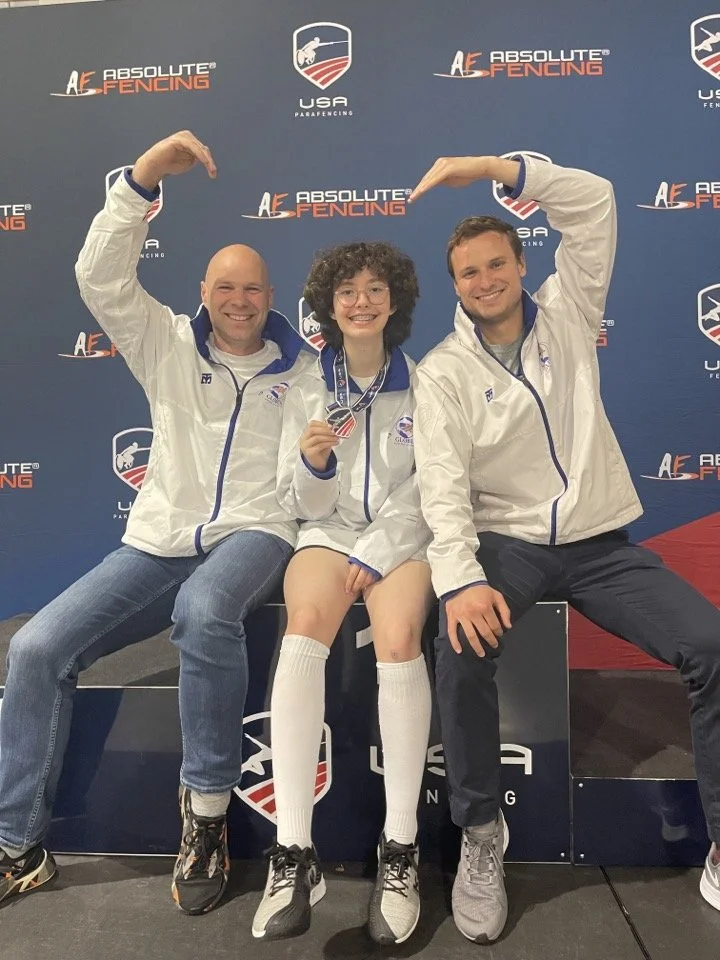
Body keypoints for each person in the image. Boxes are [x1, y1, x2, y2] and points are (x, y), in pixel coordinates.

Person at [409, 153, 720, 943]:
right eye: (467, 273)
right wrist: (459, 581)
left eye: (495, 264)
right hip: (507, 546)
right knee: (460, 641)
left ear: (521, 263)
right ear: (454, 285)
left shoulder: (570, 312)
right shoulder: (443, 372)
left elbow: (596, 201)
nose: (483, 281)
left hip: (596, 541)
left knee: (711, 644)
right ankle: (481, 835)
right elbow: (440, 488)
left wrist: (493, 167)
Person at [0, 131, 313, 916]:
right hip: (160, 537)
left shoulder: (306, 366)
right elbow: (98, 276)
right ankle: (16, 845)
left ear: (270, 297)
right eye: (225, 288)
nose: (239, 301)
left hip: (256, 531)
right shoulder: (166, 341)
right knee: (36, 646)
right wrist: (139, 182)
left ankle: (205, 818)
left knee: (205, 610)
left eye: (254, 290)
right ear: (204, 291)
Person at [251, 242, 434, 945]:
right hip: (325, 533)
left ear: (396, 300)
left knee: (398, 641)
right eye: (347, 291)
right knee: (304, 629)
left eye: (375, 288)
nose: (361, 301)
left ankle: (401, 849)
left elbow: (431, 484)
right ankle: (293, 851)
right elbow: (295, 497)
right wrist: (313, 462)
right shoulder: (303, 383)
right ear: (328, 305)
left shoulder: (423, 380)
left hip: (399, 538)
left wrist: (382, 546)